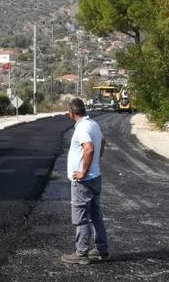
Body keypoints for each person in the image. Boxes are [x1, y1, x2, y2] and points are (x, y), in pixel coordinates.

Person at [61, 98, 109, 265]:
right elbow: (102, 142)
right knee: (96, 215)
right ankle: (102, 250)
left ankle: (81, 253)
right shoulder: (93, 124)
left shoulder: (82, 127)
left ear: (71, 113)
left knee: (81, 217)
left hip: (84, 181)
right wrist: (95, 163)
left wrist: (84, 171)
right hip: (95, 177)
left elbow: (89, 148)